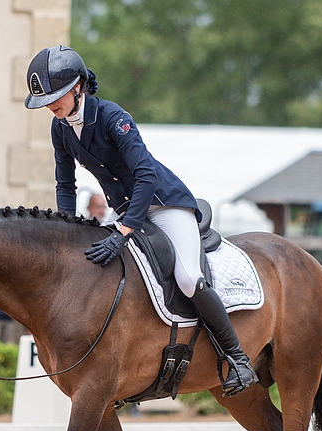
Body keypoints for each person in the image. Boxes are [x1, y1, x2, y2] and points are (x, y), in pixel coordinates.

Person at [24, 45, 257, 395]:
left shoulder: (112, 117)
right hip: (125, 208)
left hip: (165, 205)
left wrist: (124, 229)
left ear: (77, 87)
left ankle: (237, 358)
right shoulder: (61, 129)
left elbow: (145, 174)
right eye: (46, 102)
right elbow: (65, 184)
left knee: (189, 277)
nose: (51, 108)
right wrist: (65, 230)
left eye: (55, 98)